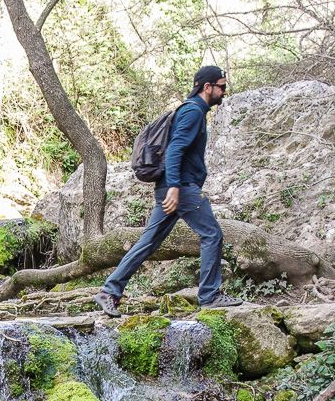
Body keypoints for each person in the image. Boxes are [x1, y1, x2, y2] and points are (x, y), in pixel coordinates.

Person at [93, 65, 243, 317]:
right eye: (222, 87)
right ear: (208, 87)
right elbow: (174, 150)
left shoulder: (192, 111)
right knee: (212, 235)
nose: (224, 92)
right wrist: (174, 187)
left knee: (148, 242)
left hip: (173, 188)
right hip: (181, 189)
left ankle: (110, 291)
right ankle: (209, 295)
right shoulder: (193, 112)